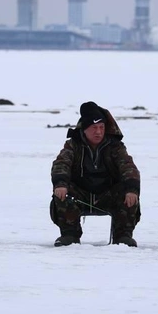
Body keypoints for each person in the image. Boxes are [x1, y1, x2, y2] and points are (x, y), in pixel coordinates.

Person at [50, 101, 141, 247]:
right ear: (85, 129)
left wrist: (132, 189)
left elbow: (128, 166)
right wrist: (60, 184)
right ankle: (69, 235)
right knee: (62, 193)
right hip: (80, 194)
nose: (98, 132)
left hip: (108, 194)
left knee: (128, 192)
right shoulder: (73, 145)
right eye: (94, 128)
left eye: (101, 127)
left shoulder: (115, 146)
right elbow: (61, 164)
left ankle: (123, 236)